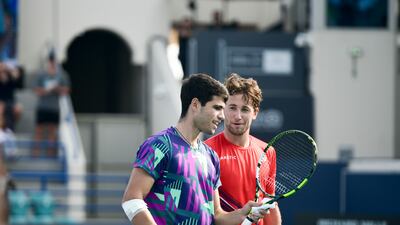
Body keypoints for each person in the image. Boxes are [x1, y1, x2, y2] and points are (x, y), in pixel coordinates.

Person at [122, 73, 268, 225]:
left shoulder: (211, 156)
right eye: (217, 108)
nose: (222, 116)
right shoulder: (160, 145)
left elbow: (217, 216)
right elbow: (132, 200)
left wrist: (242, 213)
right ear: (195, 105)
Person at [205, 73, 282, 225]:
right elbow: (210, 215)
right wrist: (241, 215)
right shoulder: (206, 151)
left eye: (245, 109)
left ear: (255, 113)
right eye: (232, 108)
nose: (238, 116)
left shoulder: (268, 152)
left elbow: (269, 203)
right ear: (223, 109)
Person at [33, 50, 70, 157]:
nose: (53, 63)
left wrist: (57, 88)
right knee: (39, 131)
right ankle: (36, 154)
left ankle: (50, 155)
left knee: (52, 132)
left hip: (54, 108)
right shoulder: (42, 74)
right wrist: (46, 90)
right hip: (42, 106)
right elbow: (36, 90)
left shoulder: (62, 75)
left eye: (54, 61)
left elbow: (66, 90)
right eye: (51, 60)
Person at [0, 61, 23, 131]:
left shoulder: (10, 77)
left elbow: (19, 86)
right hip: (1, 101)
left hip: (10, 101)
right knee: (1, 108)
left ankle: (10, 128)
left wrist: (15, 75)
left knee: (18, 109)